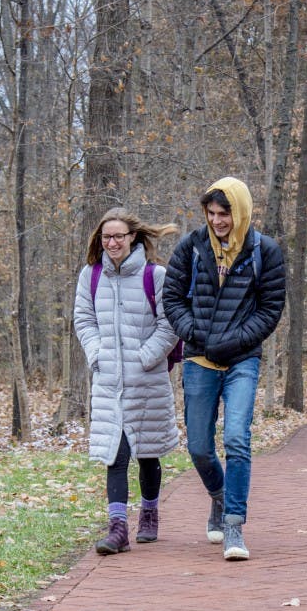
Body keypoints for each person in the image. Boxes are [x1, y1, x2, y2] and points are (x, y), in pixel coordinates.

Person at [162, 177, 286, 561]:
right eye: (212, 213)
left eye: (225, 213)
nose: (217, 220)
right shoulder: (192, 247)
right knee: (199, 446)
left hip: (242, 360)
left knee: (236, 438)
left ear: (241, 211)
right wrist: (194, 332)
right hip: (199, 358)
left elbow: (270, 310)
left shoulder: (265, 251)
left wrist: (233, 341)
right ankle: (218, 495)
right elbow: (171, 298)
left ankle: (234, 524)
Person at [73, 207, 181, 555]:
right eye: (107, 237)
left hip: (145, 379)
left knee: (147, 453)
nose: (113, 242)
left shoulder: (156, 275)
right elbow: (83, 319)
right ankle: (118, 529)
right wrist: (97, 354)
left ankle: (149, 513)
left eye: (119, 235)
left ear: (133, 236)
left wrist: (145, 357)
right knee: (115, 455)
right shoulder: (91, 276)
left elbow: (170, 324)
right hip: (108, 382)